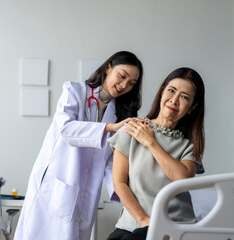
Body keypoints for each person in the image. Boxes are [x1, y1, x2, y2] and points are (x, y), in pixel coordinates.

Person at [14, 51, 145, 240]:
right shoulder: (75, 91)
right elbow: (66, 129)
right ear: (108, 67)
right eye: (122, 76)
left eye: (131, 83)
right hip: (58, 184)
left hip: (87, 192)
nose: (124, 85)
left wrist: (123, 193)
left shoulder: (119, 113)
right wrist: (109, 127)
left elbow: (110, 161)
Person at [106, 67, 205, 240]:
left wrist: (151, 142)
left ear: (192, 108)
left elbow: (182, 179)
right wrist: (143, 219)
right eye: (171, 91)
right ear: (161, 93)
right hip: (133, 223)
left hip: (174, 226)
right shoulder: (132, 129)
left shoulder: (189, 146)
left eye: (184, 97)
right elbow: (119, 183)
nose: (174, 100)